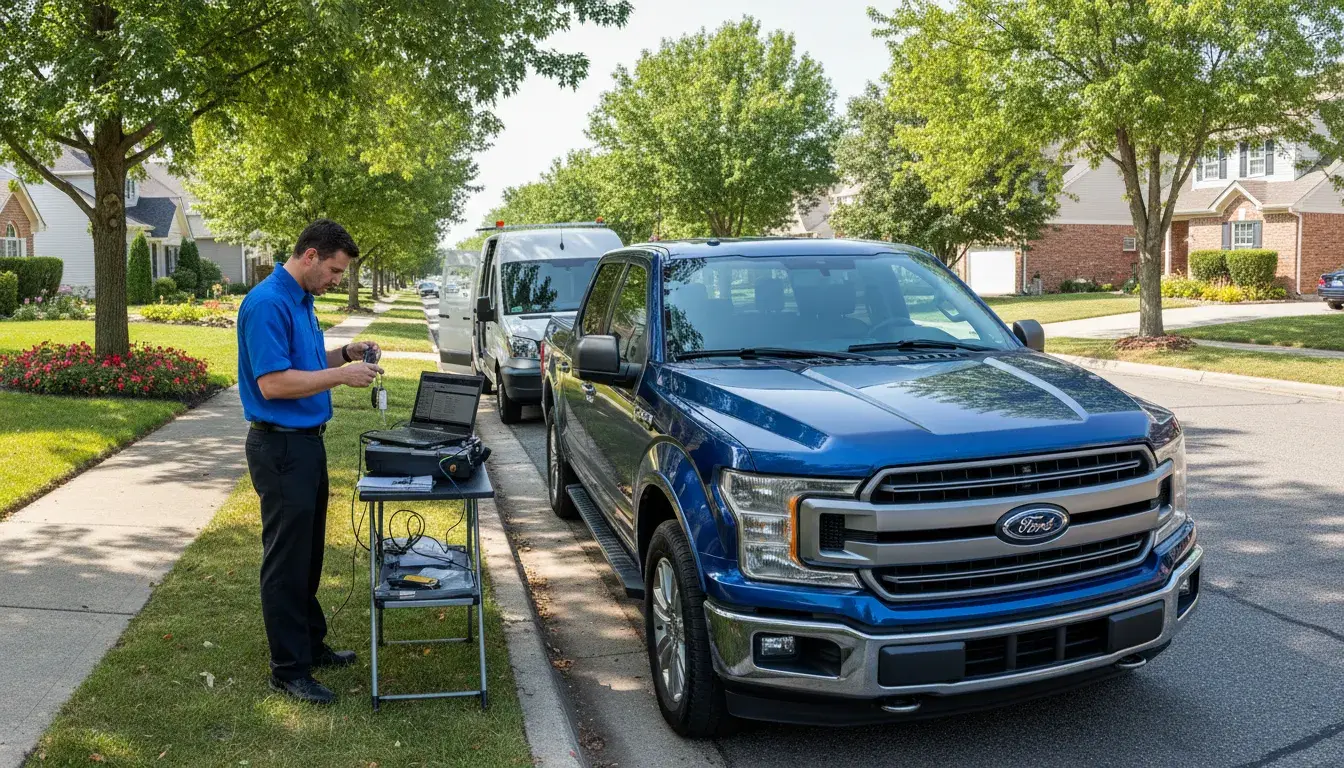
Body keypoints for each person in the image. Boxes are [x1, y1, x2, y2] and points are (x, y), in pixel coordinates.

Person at [236, 219, 383, 705]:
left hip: (305, 445)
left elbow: (303, 357)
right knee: (286, 560)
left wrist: (344, 352)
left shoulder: (301, 300)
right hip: (279, 448)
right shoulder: (266, 303)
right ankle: (287, 668)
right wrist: (341, 375)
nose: (337, 280)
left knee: (310, 553)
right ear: (311, 255)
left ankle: (309, 644)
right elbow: (273, 384)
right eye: (335, 271)